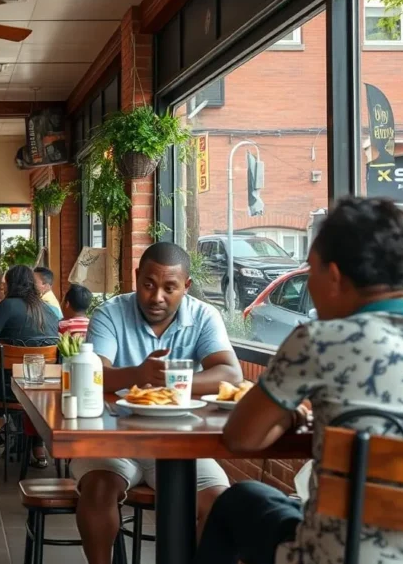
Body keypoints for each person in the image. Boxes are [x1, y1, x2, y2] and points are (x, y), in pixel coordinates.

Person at [195, 197, 403, 564]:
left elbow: (241, 437)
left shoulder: (319, 341)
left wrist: (291, 415)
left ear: (333, 275)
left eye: (310, 270)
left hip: (336, 557)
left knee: (239, 499)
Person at [75, 242, 241, 564]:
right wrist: (139, 373)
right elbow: (95, 373)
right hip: (113, 438)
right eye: (149, 285)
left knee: (220, 503)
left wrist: (170, 380)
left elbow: (231, 373)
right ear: (137, 277)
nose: (157, 297)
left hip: (181, 442)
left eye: (170, 288)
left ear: (186, 286)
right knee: (97, 489)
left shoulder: (204, 315)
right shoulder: (110, 312)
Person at [0, 265, 60, 452]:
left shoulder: (8, 305)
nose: (2, 287)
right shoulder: (48, 309)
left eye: (5, 283)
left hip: (9, 387)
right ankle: (28, 442)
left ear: (12, 284)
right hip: (43, 387)